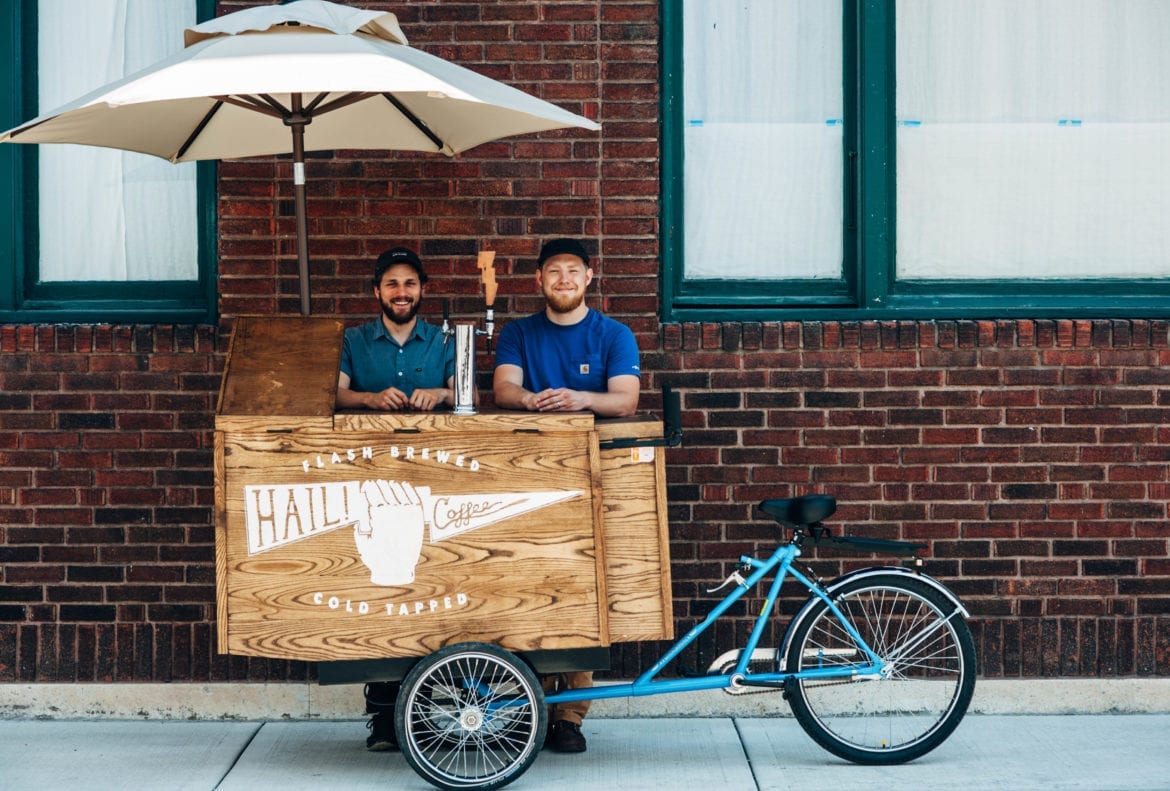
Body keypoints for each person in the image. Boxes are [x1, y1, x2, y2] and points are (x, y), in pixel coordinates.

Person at [493, 237, 641, 753]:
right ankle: (528, 707)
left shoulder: (614, 334)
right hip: (527, 480)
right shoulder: (518, 333)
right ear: (539, 280)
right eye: (553, 271)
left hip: (595, 480)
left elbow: (625, 401)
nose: (562, 279)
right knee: (528, 589)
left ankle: (570, 717)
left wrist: (580, 399)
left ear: (589, 277)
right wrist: (533, 399)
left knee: (584, 592)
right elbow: (503, 388)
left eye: (572, 271)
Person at [336, 246, 455, 751]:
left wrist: (440, 395)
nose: (401, 293)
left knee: (430, 589)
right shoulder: (353, 340)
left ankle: (424, 712)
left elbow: (464, 392)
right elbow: (336, 394)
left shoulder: (446, 341)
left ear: (422, 289)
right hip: (372, 477)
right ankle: (384, 716)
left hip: (433, 475)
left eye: (409, 284)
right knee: (381, 600)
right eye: (392, 284)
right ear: (376, 292)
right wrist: (369, 398)